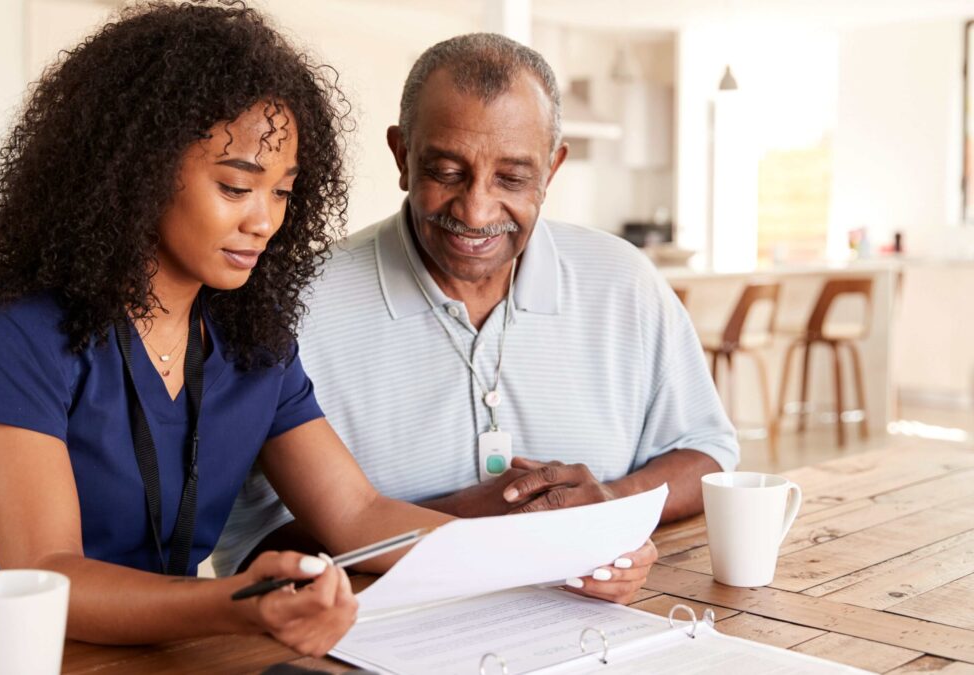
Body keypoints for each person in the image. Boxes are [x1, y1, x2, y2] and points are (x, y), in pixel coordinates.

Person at [0, 2, 461, 670]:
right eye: (237, 186)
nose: (265, 221)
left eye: (283, 193)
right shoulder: (19, 326)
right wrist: (234, 600)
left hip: (181, 650)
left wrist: (549, 553)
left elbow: (357, 509)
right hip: (31, 657)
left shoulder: (252, 339)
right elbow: (46, 571)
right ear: (138, 170)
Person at [215, 34, 739, 587]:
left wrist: (608, 506)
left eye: (512, 178)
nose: (477, 209)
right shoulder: (294, 304)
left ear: (552, 170)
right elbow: (252, 547)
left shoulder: (624, 281)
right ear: (402, 156)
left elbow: (707, 452)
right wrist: (468, 519)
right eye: (446, 172)